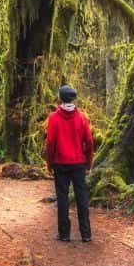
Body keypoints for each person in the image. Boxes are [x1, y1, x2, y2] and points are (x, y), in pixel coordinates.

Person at [45, 84, 94, 242]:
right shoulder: (82, 118)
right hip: (79, 163)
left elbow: (50, 143)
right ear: (73, 98)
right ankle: (86, 234)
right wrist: (88, 163)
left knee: (62, 197)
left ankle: (64, 234)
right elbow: (90, 142)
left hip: (60, 163)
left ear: (60, 97)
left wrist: (49, 163)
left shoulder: (53, 118)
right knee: (82, 197)